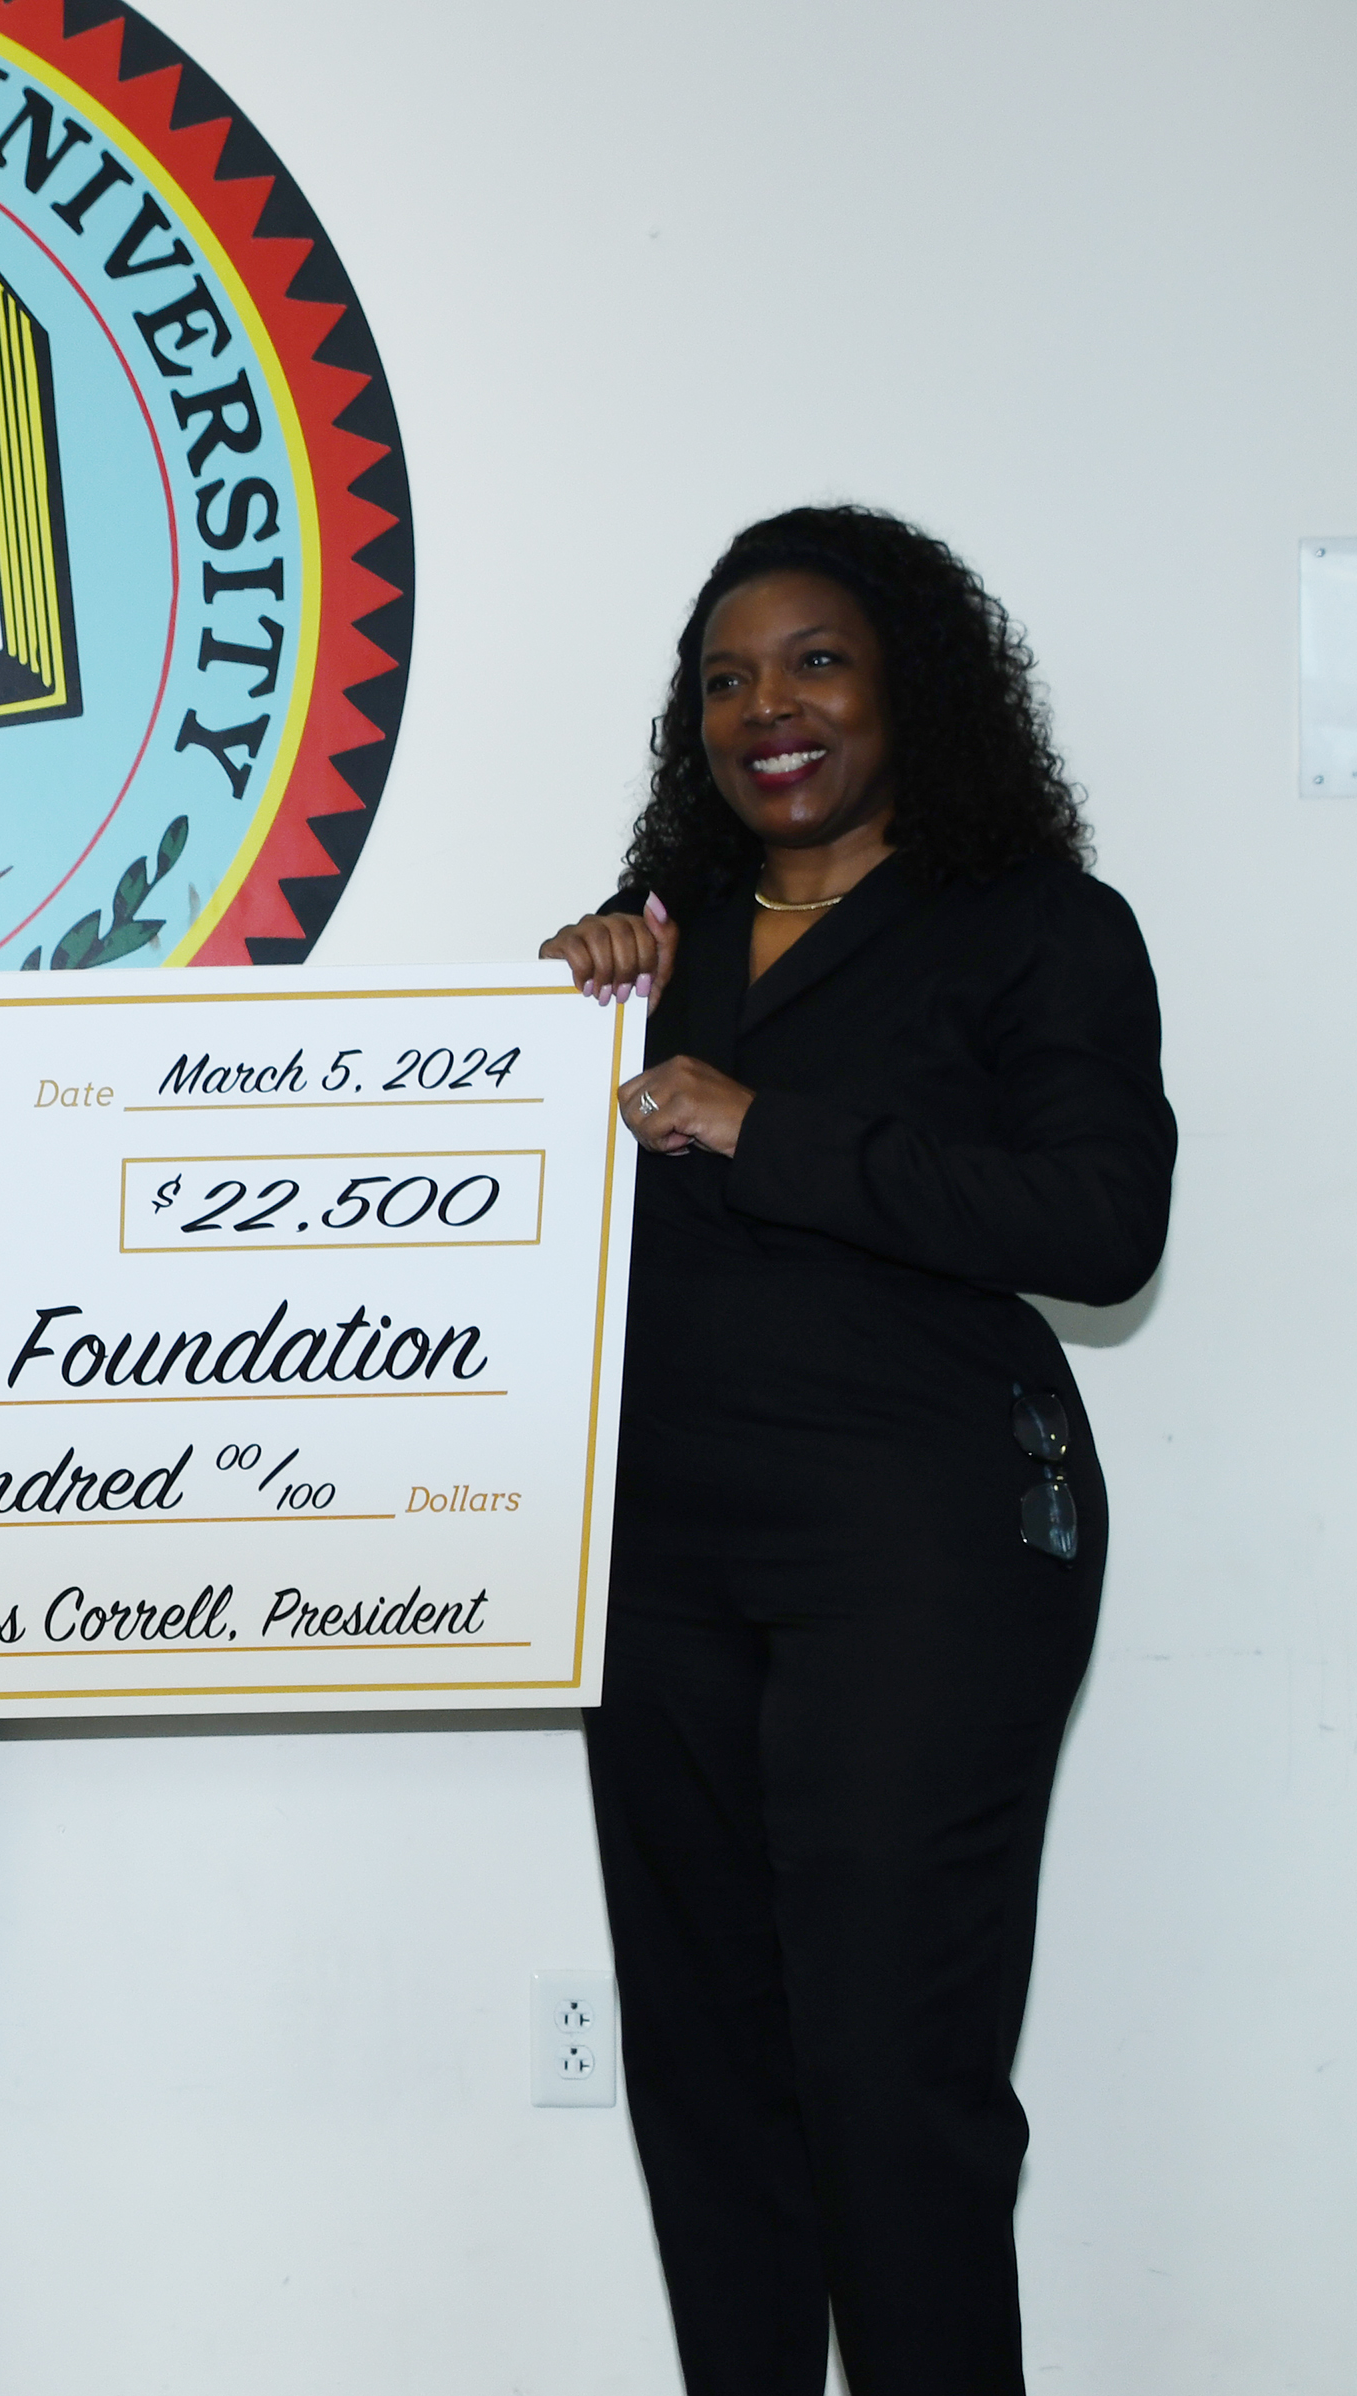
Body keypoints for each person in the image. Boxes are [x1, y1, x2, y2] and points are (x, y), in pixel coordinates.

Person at [539, 508, 1174, 2394]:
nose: (769, 710)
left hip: (930, 1560)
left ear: (913, 682)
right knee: (710, 2076)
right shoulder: (657, 948)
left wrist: (763, 1126)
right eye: (727, 680)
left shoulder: (1037, 926)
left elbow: (1100, 1224)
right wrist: (559, 1030)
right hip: (662, 1566)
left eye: (815, 661)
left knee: (893, 2073)